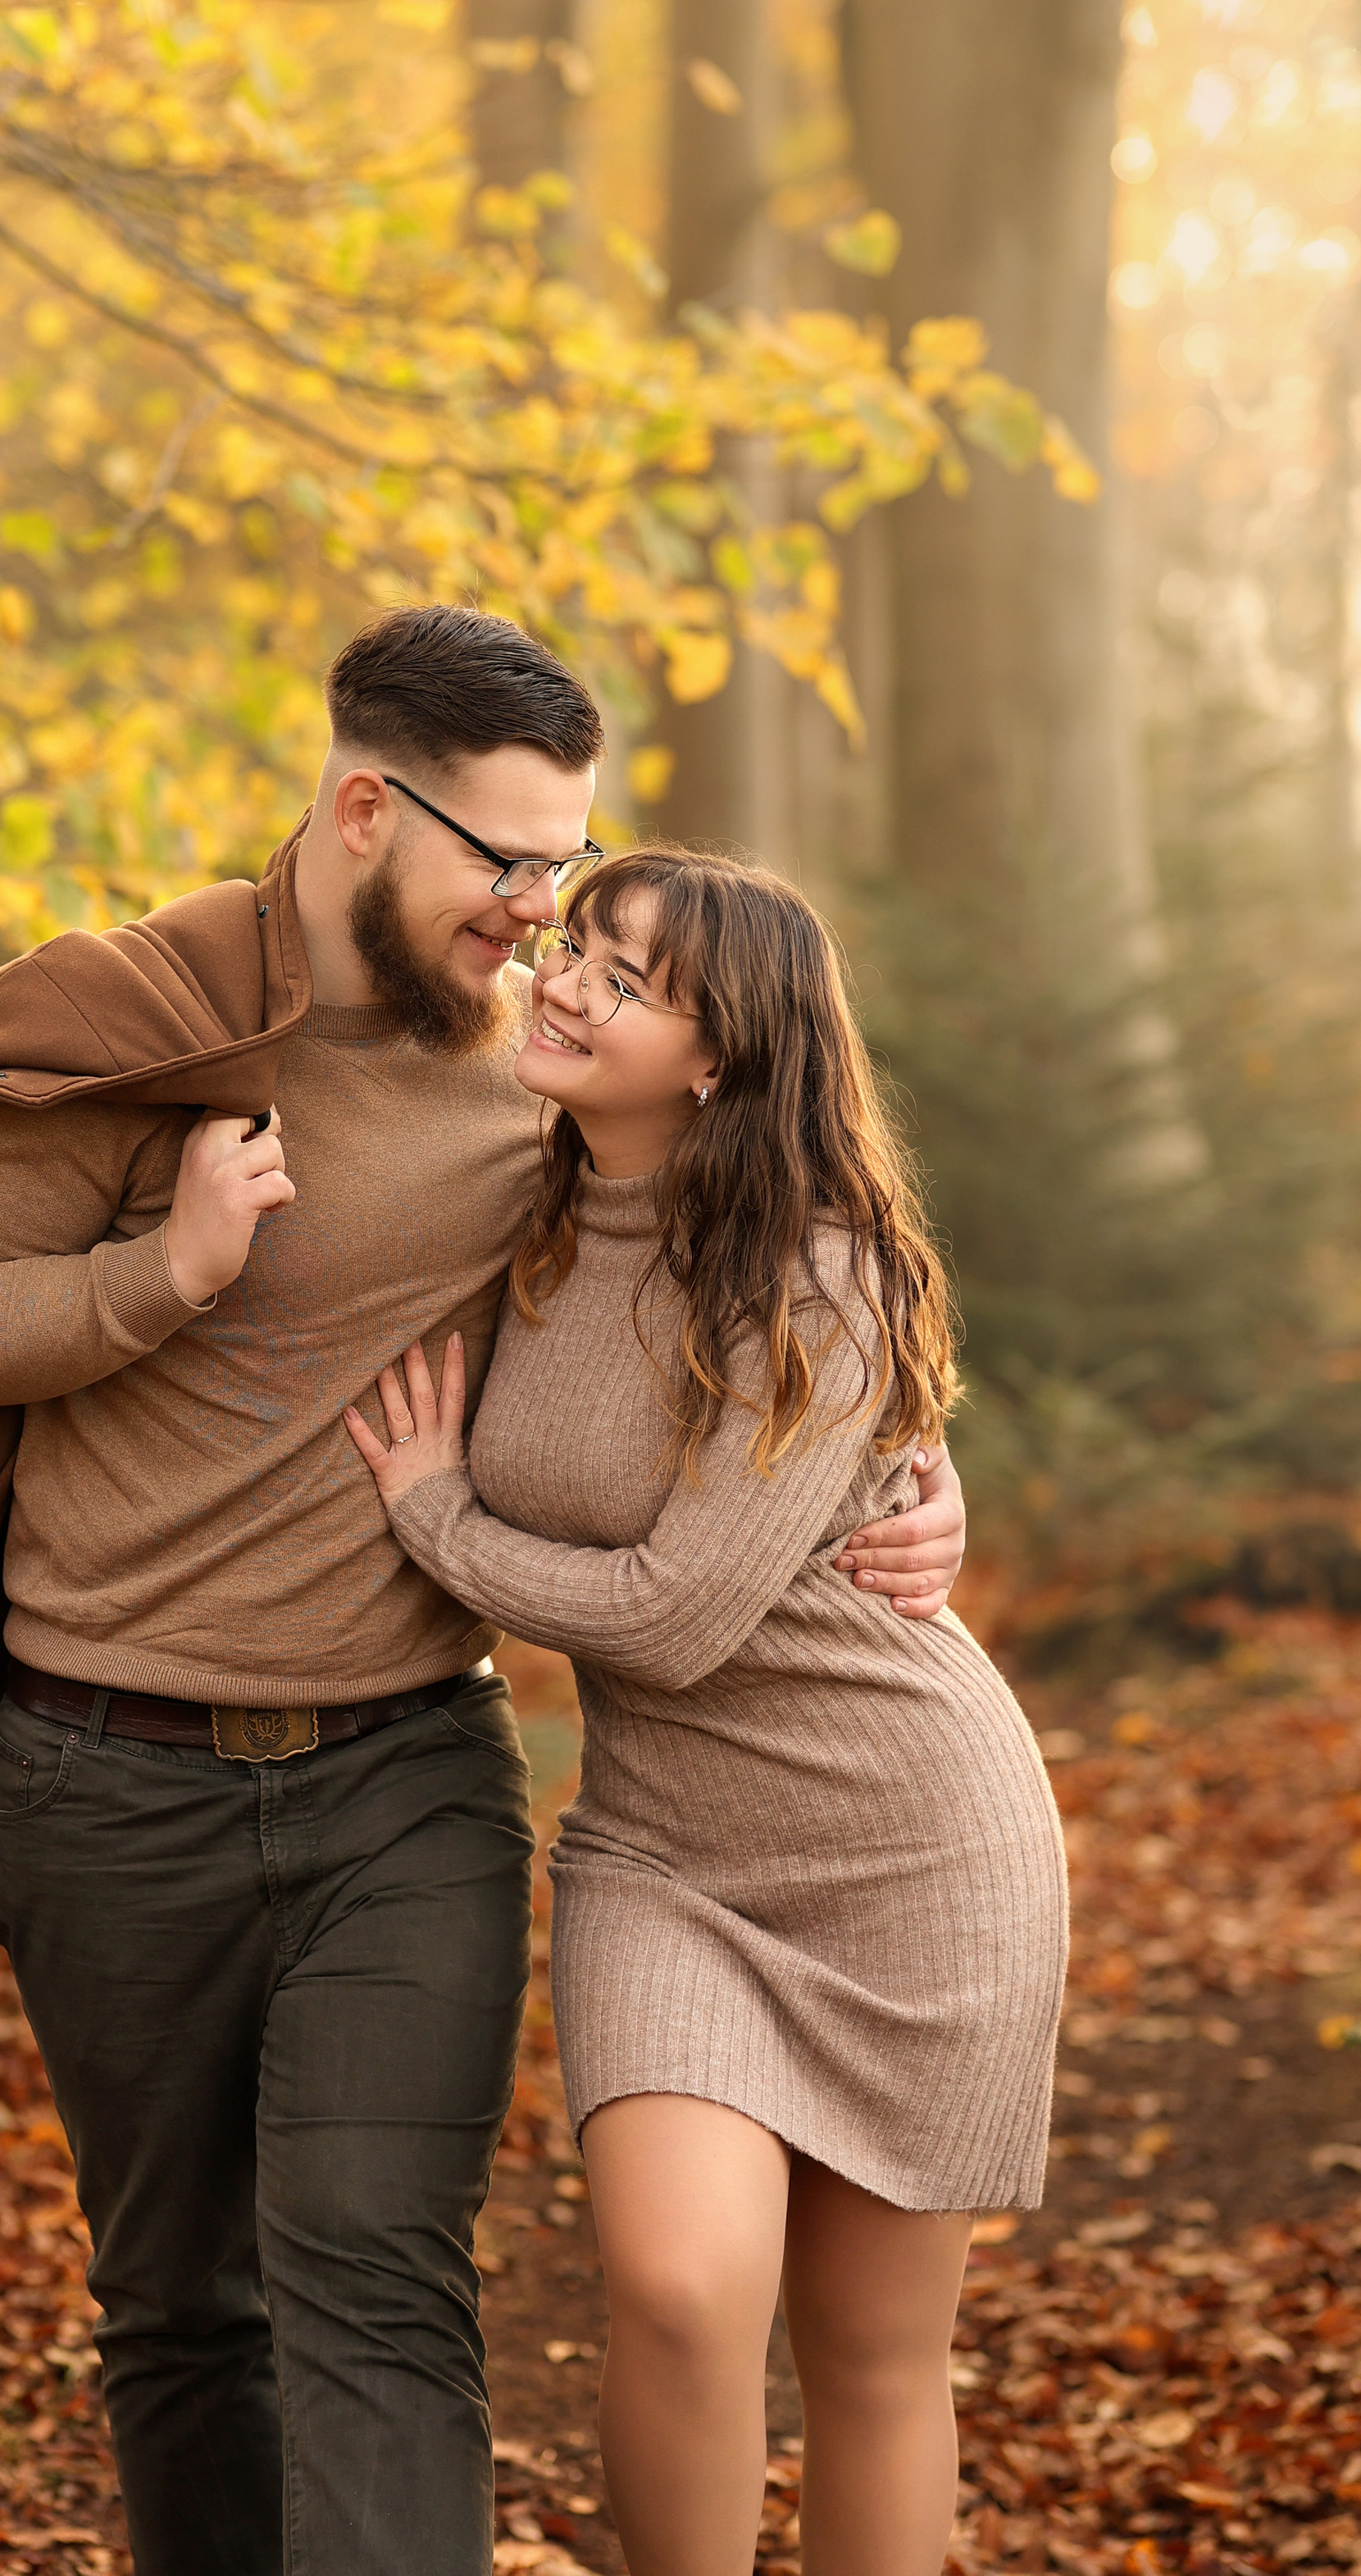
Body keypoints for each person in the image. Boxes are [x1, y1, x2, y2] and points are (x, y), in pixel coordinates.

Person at [0, 609, 971, 2576]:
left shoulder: (544, 1067)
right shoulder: (135, 1028)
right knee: (183, 2310)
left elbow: (765, 1228)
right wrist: (162, 1272)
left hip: (403, 1784)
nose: (540, 917)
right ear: (366, 807)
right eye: (507, 863)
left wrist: (907, 1469)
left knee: (374, 2278)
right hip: (105, 1782)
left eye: (566, 866)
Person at [348, 844, 1067, 2576]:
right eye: (576, 944)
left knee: (873, 2361)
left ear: (720, 1058)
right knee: (675, 2292)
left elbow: (671, 1618)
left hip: (911, 1852)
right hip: (663, 1858)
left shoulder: (821, 1274)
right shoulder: (512, 1205)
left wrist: (437, 1513)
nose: (570, 979)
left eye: (631, 976)